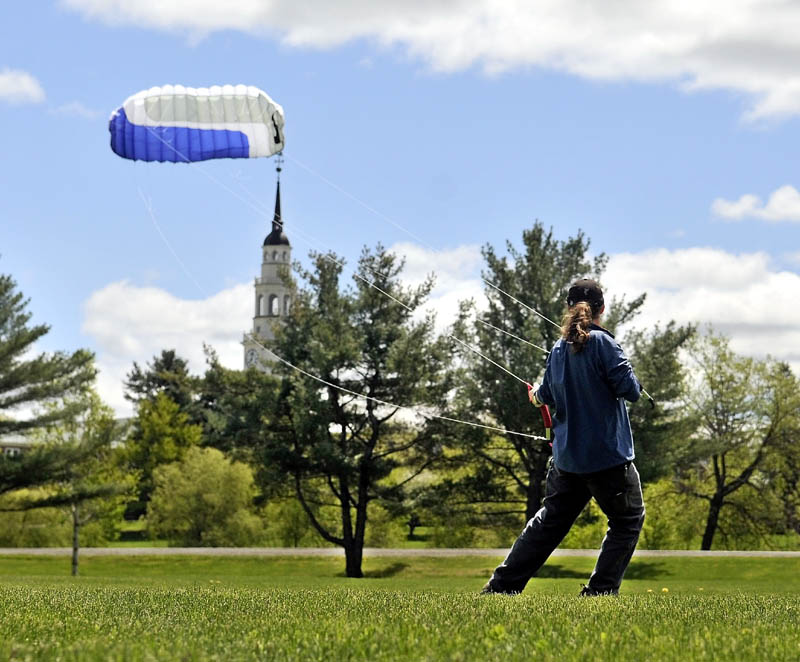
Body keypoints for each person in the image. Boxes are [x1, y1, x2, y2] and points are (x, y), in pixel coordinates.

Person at [482, 278, 645, 597]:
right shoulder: (605, 343)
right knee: (627, 520)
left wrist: (535, 397)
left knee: (549, 524)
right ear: (602, 309)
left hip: (568, 461)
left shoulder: (557, 350)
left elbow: (543, 395)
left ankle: (501, 587)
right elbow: (631, 391)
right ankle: (600, 591)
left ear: (569, 308)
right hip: (607, 459)